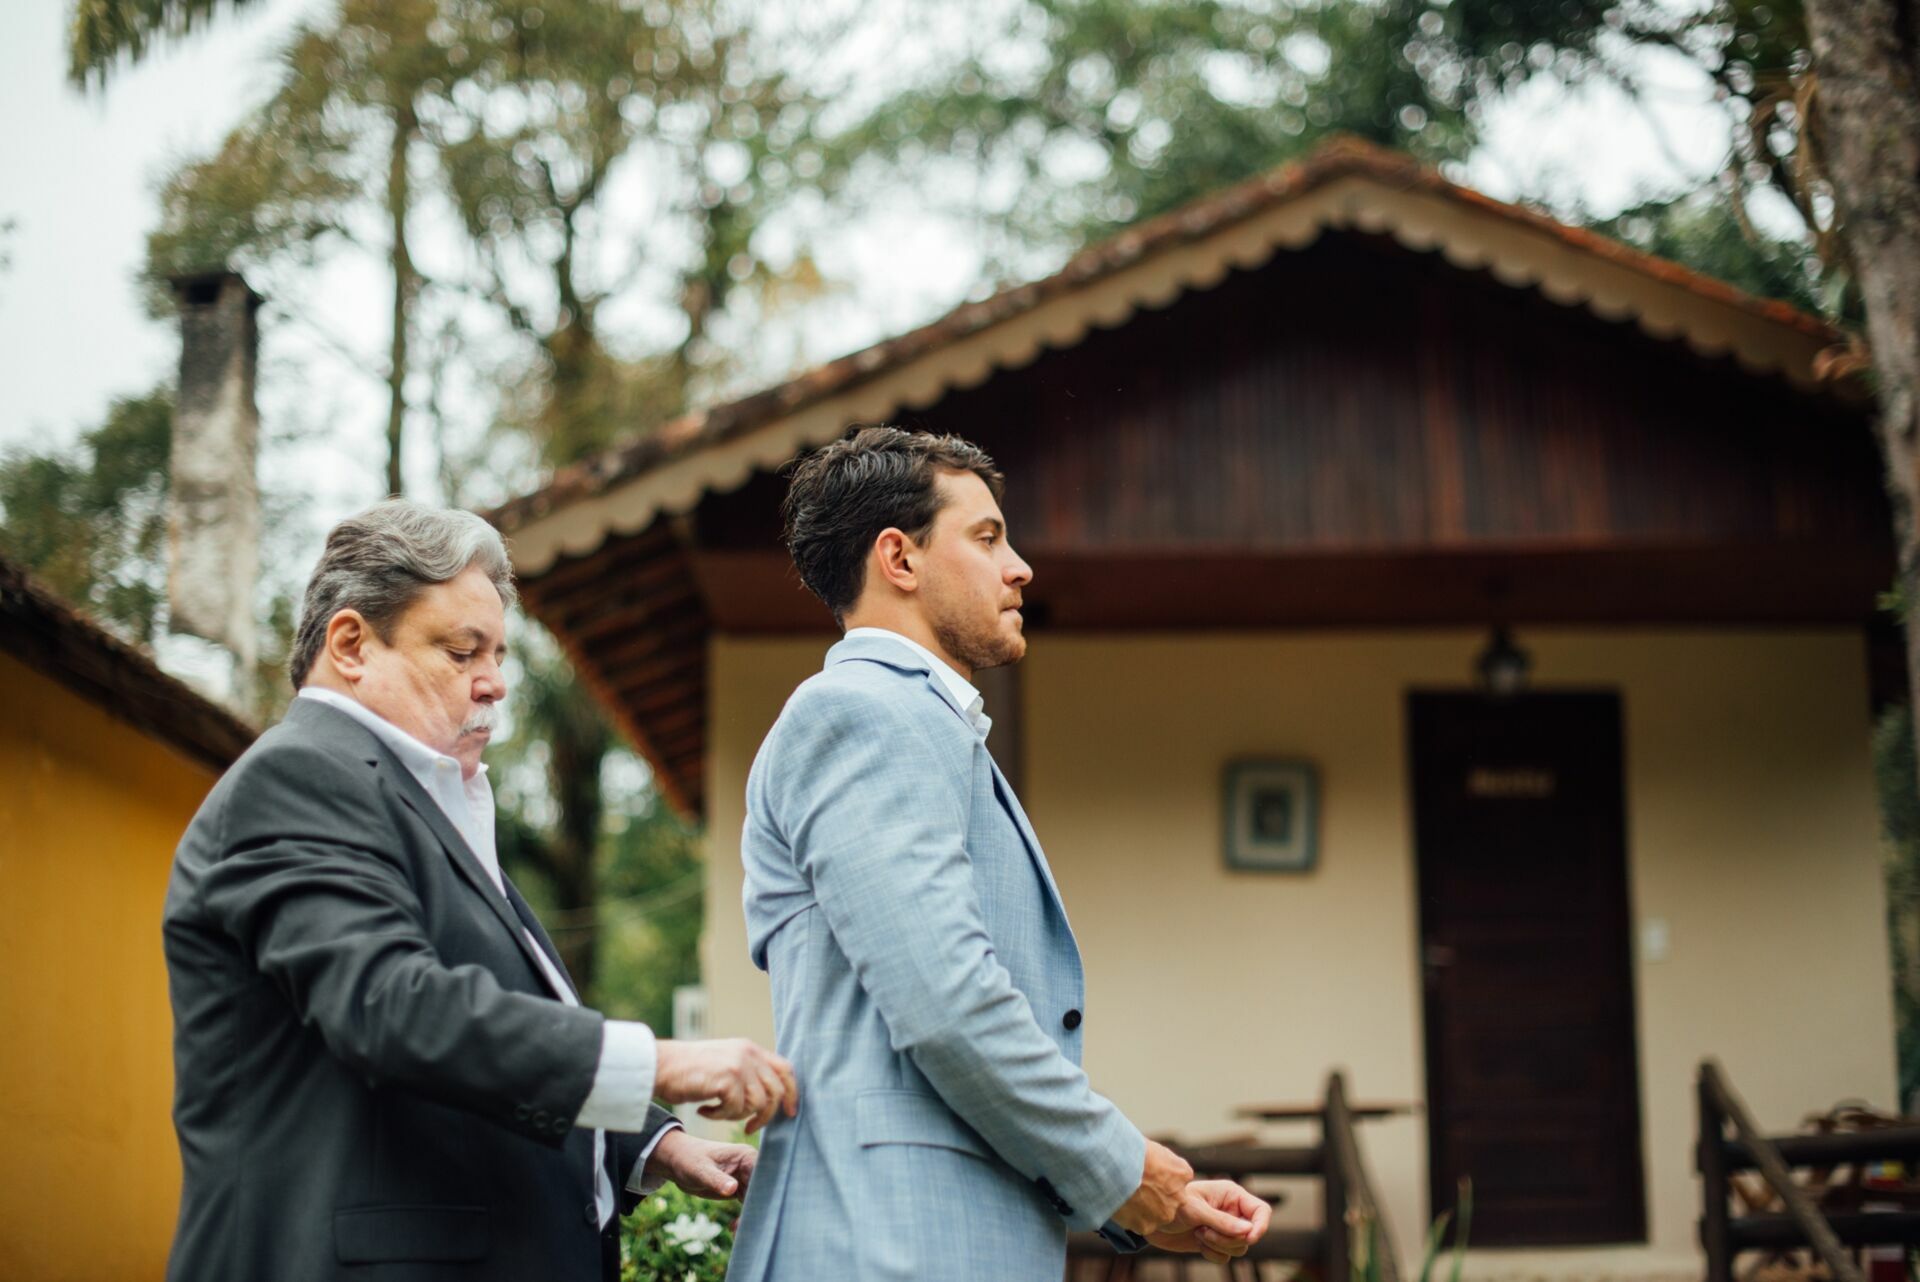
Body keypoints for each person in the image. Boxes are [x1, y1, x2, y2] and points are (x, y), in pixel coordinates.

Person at [163, 500, 797, 1282]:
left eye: (498, 654)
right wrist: (659, 1062)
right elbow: (392, 1006)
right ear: (352, 643)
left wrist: (654, 1142)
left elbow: (490, 1038)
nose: (495, 683)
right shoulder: (302, 777)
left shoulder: (413, 797)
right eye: (463, 652)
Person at [729, 427, 1272, 1280]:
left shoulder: (917, 728)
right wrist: (1124, 1170)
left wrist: (1137, 1203)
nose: (1019, 567)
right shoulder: (864, 714)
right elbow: (948, 1001)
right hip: (889, 1247)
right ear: (898, 559)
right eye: (987, 538)